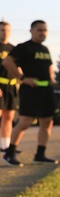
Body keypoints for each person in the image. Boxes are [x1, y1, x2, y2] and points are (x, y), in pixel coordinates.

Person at [2, 20, 58, 165]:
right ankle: (9, 153)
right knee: (25, 122)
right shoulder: (24, 47)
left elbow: (49, 66)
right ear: (31, 31)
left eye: (45, 30)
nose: (42, 33)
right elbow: (7, 62)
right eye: (39, 30)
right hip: (31, 90)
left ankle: (40, 154)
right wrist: (22, 78)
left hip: (46, 89)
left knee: (47, 122)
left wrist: (51, 78)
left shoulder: (45, 49)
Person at [0, 21, 18, 155]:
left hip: (11, 86)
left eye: (7, 30)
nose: (5, 32)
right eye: (1, 30)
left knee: (8, 117)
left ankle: (5, 146)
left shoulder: (14, 49)